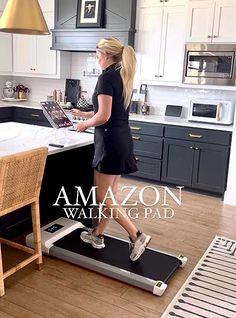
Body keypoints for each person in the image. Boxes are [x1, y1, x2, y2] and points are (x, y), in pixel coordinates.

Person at [71, 37, 151, 261]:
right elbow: (108, 111)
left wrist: (84, 124)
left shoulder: (106, 77)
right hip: (121, 139)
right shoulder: (122, 74)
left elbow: (104, 116)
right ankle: (97, 234)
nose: (97, 60)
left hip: (109, 142)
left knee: (103, 196)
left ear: (105, 55)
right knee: (111, 195)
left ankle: (136, 235)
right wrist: (85, 114)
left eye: (97, 55)